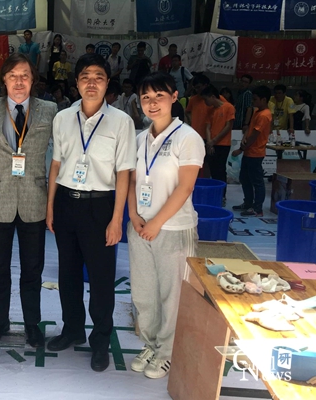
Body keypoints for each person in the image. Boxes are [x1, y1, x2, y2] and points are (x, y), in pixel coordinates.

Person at [46, 53, 136, 372]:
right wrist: (50, 208)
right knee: (68, 273)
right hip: (66, 203)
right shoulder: (62, 117)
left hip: (101, 205)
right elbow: (56, 164)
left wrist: (117, 219)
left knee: (100, 278)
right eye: (85, 76)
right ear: (76, 83)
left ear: (108, 83)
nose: (91, 83)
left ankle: (100, 341)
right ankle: (73, 329)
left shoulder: (122, 122)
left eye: (98, 77)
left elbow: (124, 173)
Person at [0, 53, 57, 349]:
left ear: (33, 80)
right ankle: (0, 322)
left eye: (25, 76)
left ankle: (32, 324)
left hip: (34, 199)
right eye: (12, 76)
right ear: (3, 80)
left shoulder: (50, 110)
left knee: (32, 269)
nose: (19, 82)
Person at [127, 72, 204, 379]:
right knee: (144, 293)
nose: (152, 103)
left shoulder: (188, 138)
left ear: (174, 97)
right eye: (146, 97)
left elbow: (185, 187)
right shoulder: (139, 139)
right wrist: (133, 215)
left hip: (173, 229)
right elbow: (132, 181)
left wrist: (157, 223)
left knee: (171, 296)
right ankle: (150, 344)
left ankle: (167, 352)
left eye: (159, 96)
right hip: (141, 228)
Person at [232, 86, 273, 217]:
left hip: (256, 153)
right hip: (249, 151)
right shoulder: (256, 111)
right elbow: (250, 129)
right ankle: (248, 203)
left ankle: (257, 208)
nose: (253, 101)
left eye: (255, 99)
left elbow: (255, 135)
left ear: (264, 99)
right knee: (245, 178)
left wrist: (241, 149)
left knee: (257, 181)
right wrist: (244, 139)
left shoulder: (264, 115)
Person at [200, 85, 235, 205]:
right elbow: (208, 127)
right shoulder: (211, 110)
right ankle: (214, 193)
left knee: (220, 170)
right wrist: (209, 142)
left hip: (223, 144)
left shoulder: (229, 107)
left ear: (212, 97)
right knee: (212, 170)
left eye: (206, 99)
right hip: (212, 144)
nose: (205, 102)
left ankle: (222, 195)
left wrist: (214, 141)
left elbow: (228, 126)